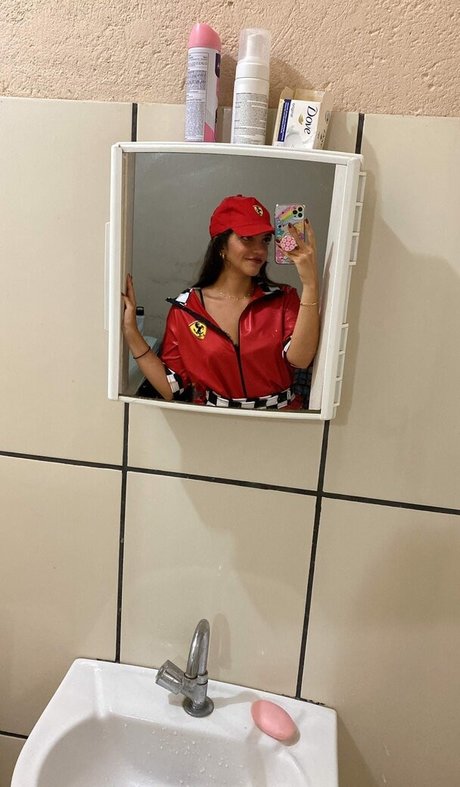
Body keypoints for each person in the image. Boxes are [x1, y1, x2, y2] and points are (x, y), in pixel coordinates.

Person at [122, 194, 319, 410]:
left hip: (282, 420)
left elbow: (300, 359)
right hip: (215, 421)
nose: (260, 250)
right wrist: (131, 331)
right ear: (221, 245)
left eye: (265, 240)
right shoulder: (187, 309)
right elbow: (171, 387)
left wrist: (310, 284)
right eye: (247, 238)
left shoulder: (283, 299)